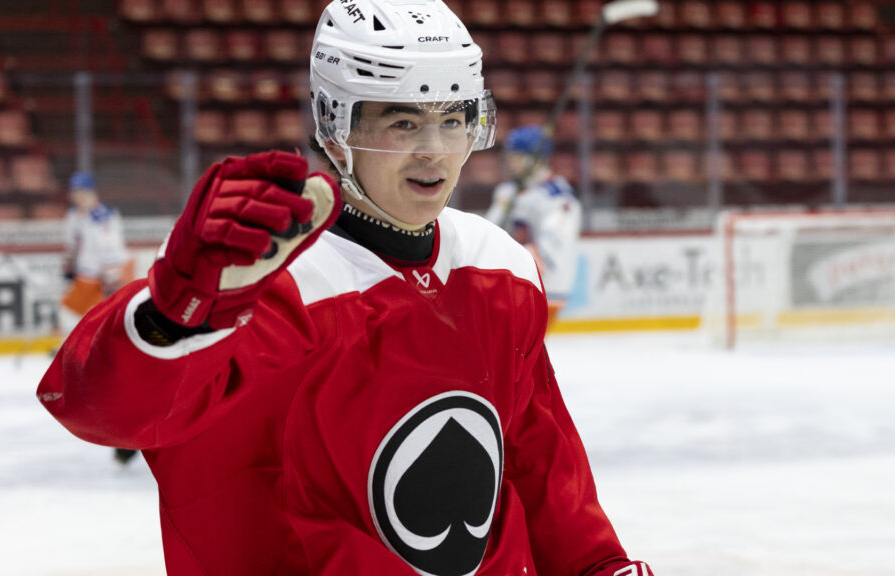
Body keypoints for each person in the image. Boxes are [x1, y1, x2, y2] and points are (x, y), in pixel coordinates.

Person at [38, 1, 654, 575]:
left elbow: (538, 462)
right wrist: (176, 315)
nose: (434, 151)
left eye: (454, 120)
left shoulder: (499, 267)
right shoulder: (271, 283)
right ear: (333, 130)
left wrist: (598, 567)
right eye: (403, 121)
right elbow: (101, 409)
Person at [60, 171, 139, 464]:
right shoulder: (74, 217)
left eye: (82, 190)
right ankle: (86, 360)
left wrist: (111, 278)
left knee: (108, 330)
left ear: (91, 192)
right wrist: (68, 265)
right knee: (72, 317)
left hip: (107, 277)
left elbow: (111, 248)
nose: (77, 195)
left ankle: (97, 361)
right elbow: (71, 245)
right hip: (87, 276)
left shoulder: (103, 215)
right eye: (74, 190)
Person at [485, 125, 583, 324]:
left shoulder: (558, 198)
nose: (511, 161)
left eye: (517, 156)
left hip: (543, 290)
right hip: (509, 287)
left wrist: (502, 260)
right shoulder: (507, 192)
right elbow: (487, 234)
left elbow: (549, 253)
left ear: (535, 159)